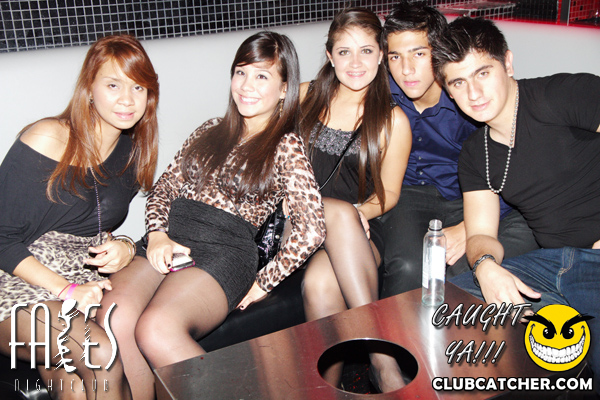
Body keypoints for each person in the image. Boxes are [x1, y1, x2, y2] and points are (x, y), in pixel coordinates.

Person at [121, 31, 325, 393]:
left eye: (261, 76)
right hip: (171, 236)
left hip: (225, 249)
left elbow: (312, 228)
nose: (246, 85)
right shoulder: (210, 129)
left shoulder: (286, 144)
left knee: (156, 328)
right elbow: (163, 189)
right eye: (240, 72)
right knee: (115, 317)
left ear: (284, 88)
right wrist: (157, 234)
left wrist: (263, 282)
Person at [433, 17, 600, 392]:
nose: (474, 93)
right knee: (444, 306)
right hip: (552, 265)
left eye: (482, 73)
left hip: (595, 260)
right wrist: (486, 266)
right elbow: (480, 233)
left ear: (507, 63)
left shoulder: (560, 95)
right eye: (458, 82)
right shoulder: (475, 153)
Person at [0, 34, 159, 400]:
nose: (127, 99)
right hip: (17, 281)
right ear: (90, 88)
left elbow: (95, 222)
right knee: (99, 353)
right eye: (113, 85)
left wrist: (123, 246)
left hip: (79, 280)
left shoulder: (131, 150)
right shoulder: (48, 138)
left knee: (74, 386)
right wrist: (66, 289)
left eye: (138, 87)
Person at [378, 1, 538, 298]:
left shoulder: (469, 98)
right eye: (395, 56)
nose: (406, 69)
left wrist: (469, 228)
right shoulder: (382, 90)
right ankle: (395, 329)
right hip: (410, 194)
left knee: (460, 277)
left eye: (419, 54)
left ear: (440, 53)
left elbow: (511, 168)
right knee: (408, 268)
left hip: (474, 197)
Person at [299, 8, 411, 393]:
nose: (356, 62)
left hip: (357, 229)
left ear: (381, 55)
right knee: (335, 213)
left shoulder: (393, 120)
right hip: (297, 222)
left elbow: (388, 193)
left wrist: (358, 213)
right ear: (329, 56)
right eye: (344, 52)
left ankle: (323, 392)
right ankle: (382, 359)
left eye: (366, 51)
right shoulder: (304, 97)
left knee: (320, 285)